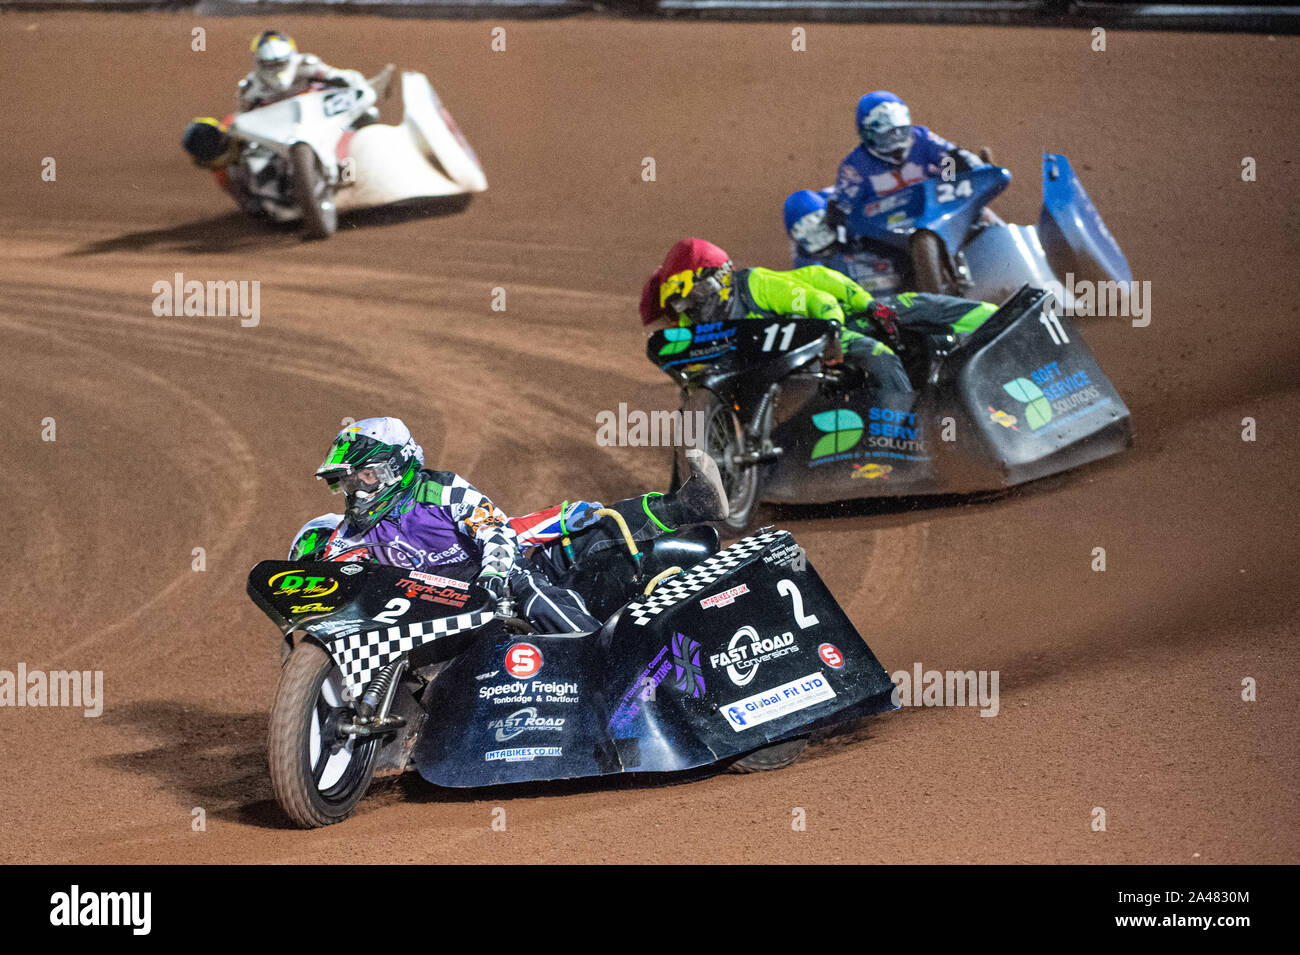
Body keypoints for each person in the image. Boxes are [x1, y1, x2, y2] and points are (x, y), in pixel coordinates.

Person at [290, 417, 728, 633]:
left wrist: (495, 574)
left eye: (367, 478)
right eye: (348, 483)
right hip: (424, 611)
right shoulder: (348, 532)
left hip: (492, 579)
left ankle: (602, 655)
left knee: (545, 586)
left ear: (398, 467)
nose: (359, 492)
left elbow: (497, 530)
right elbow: (337, 582)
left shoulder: (443, 491)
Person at [639, 237, 997, 392]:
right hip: (788, 366)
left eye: (693, 301)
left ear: (715, 282)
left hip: (839, 320)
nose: (687, 313)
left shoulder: (759, 284)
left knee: (905, 313)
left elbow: (823, 301)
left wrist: (839, 334)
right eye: (679, 309)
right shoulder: (689, 332)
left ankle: (996, 319)